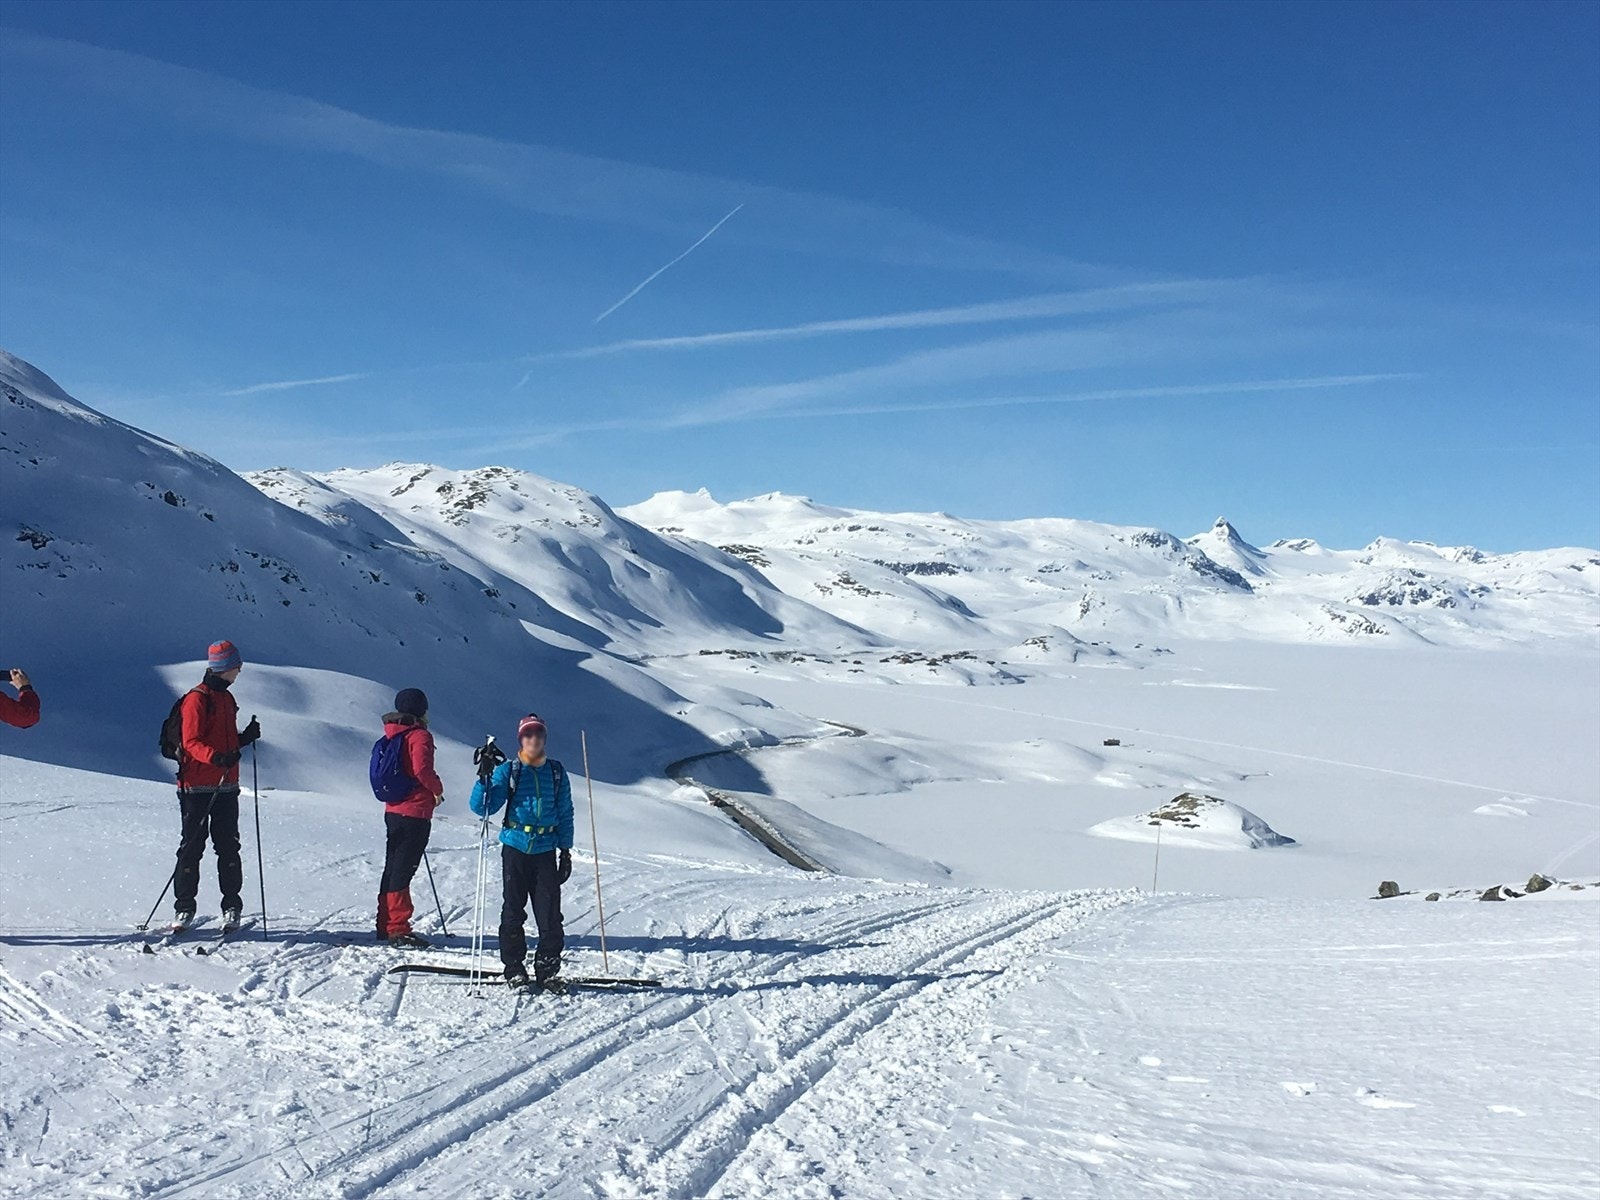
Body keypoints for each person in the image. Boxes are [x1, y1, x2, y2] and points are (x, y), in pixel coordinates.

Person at [470, 713, 574, 993]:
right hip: (515, 847)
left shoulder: (556, 771)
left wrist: (566, 851)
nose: (534, 739)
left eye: (539, 734)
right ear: (521, 739)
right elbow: (483, 808)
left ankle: (547, 971)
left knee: (550, 914)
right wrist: (484, 778)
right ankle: (514, 969)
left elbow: (565, 812)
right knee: (513, 911)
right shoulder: (510, 771)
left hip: (545, 850)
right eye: (528, 734)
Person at [174, 640, 260, 932]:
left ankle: (232, 906)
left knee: (228, 847)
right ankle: (184, 908)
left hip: (226, 785)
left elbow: (222, 741)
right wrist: (217, 757)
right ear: (225, 667)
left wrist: (243, 739)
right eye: (237, 665)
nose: (240, 670)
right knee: (191, 848)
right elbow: (191, 742)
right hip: (196, 786)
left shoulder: (226, 699)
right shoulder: (197, 699)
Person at [376, 688, 445, 948]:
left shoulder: (393, 733)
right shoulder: (419, 735)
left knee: (393, 866)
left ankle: (385, 923)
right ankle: (398, 928)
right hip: (414, 810)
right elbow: (422, 769)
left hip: (393, 809)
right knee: (404, 869)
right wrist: (437, 789)